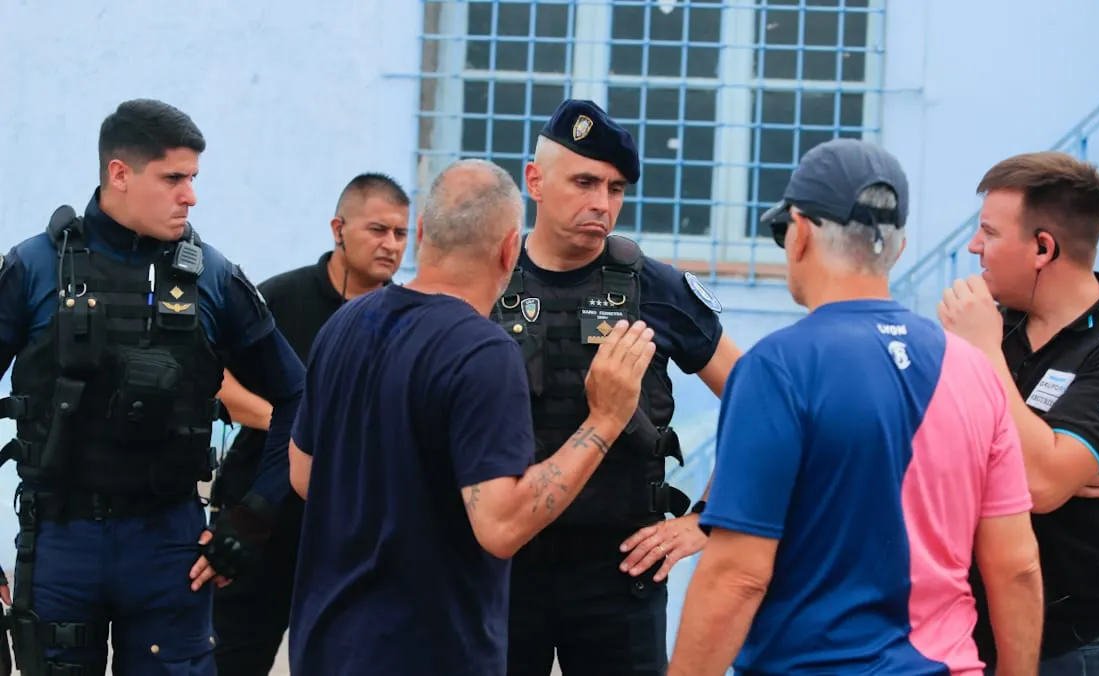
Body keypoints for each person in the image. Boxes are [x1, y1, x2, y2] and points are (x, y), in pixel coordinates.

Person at [667, 138, 1043, 676]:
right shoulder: (973, 371)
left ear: (799, 233)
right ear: (899, 247)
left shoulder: (778, 368)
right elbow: (1017, 567)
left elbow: (737, 576)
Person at [284, 158, 658, 676]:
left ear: (419, 233)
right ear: (511, 249)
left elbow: (303, 474)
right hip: (427, 654)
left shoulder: (344, 323)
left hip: (326, 644)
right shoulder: (482, 351)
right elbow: (500, 525)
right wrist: (605, 420)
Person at [0, 98, 305, 676]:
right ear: (120, 173)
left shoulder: (213, 278)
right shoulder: (35, 269)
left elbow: (300, 397)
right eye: (173, 178)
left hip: (169, 545)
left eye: (192, 179)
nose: (189, 195)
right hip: (61, 541)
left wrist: (252, 519)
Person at [494, 98, 742, 676]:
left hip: (619, 573)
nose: (602, 204)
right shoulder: (487, 277)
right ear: (535, 180)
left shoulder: (655, 288)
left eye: (616, 188)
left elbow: (763, 401)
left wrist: (708, 516)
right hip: (503, 569)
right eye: (584, 182)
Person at [938, 150, 1099, 674]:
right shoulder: (995, 325)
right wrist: (1043, 455)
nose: (975, 247)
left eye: (990, 233)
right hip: (965, 632)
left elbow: (1039, 483)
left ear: (1043, 247)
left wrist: (984, 356)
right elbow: (926, 452)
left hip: (1073, 647)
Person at [209, 172, 409, 674]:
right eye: (377, 230)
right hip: (260, 517)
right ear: (338, 228)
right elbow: (216, 380)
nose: (390, 245)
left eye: (401, 234)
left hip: (353, 532)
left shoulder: (410, 318)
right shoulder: (278, 299)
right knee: (233, 660)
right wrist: (290, 424)